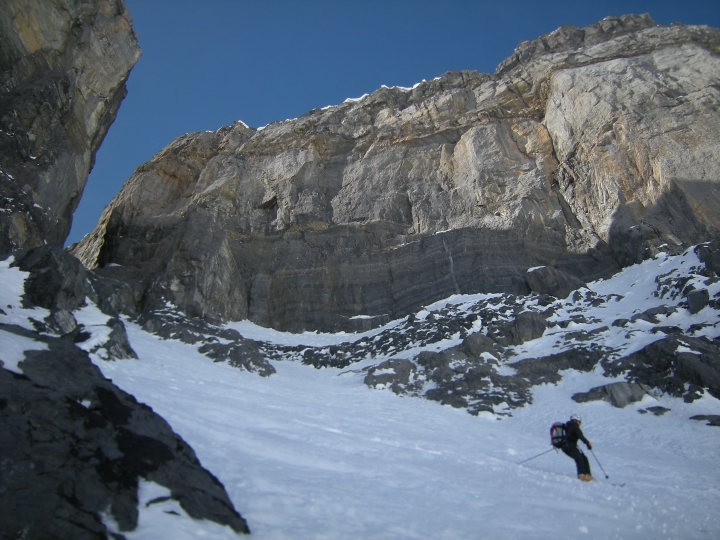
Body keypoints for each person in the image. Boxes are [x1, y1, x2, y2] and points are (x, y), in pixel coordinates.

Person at [563, 414, 594, 481]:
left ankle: (587, 475)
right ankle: (582, 475)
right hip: (570, 445)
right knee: (579, 458)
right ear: (576, 421)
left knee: (583, 458)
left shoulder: (569, 425)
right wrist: (587, 443)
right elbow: (580, 435)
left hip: (568, 446)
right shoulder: (574, 425)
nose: (580, 424)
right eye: (579, 422)